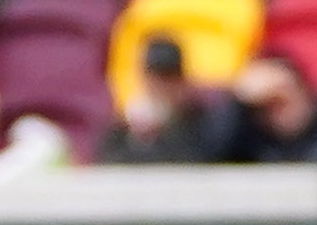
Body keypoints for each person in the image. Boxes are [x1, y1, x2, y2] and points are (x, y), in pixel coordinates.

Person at [95, 33, 243, 162]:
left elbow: (201, 162)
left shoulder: (202, 120)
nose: (161, 86)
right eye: (154, 77)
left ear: (181, 79)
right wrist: (138, 139)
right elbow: (109, 168)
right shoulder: (123, 131)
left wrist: (171, 125)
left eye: (168, 77)